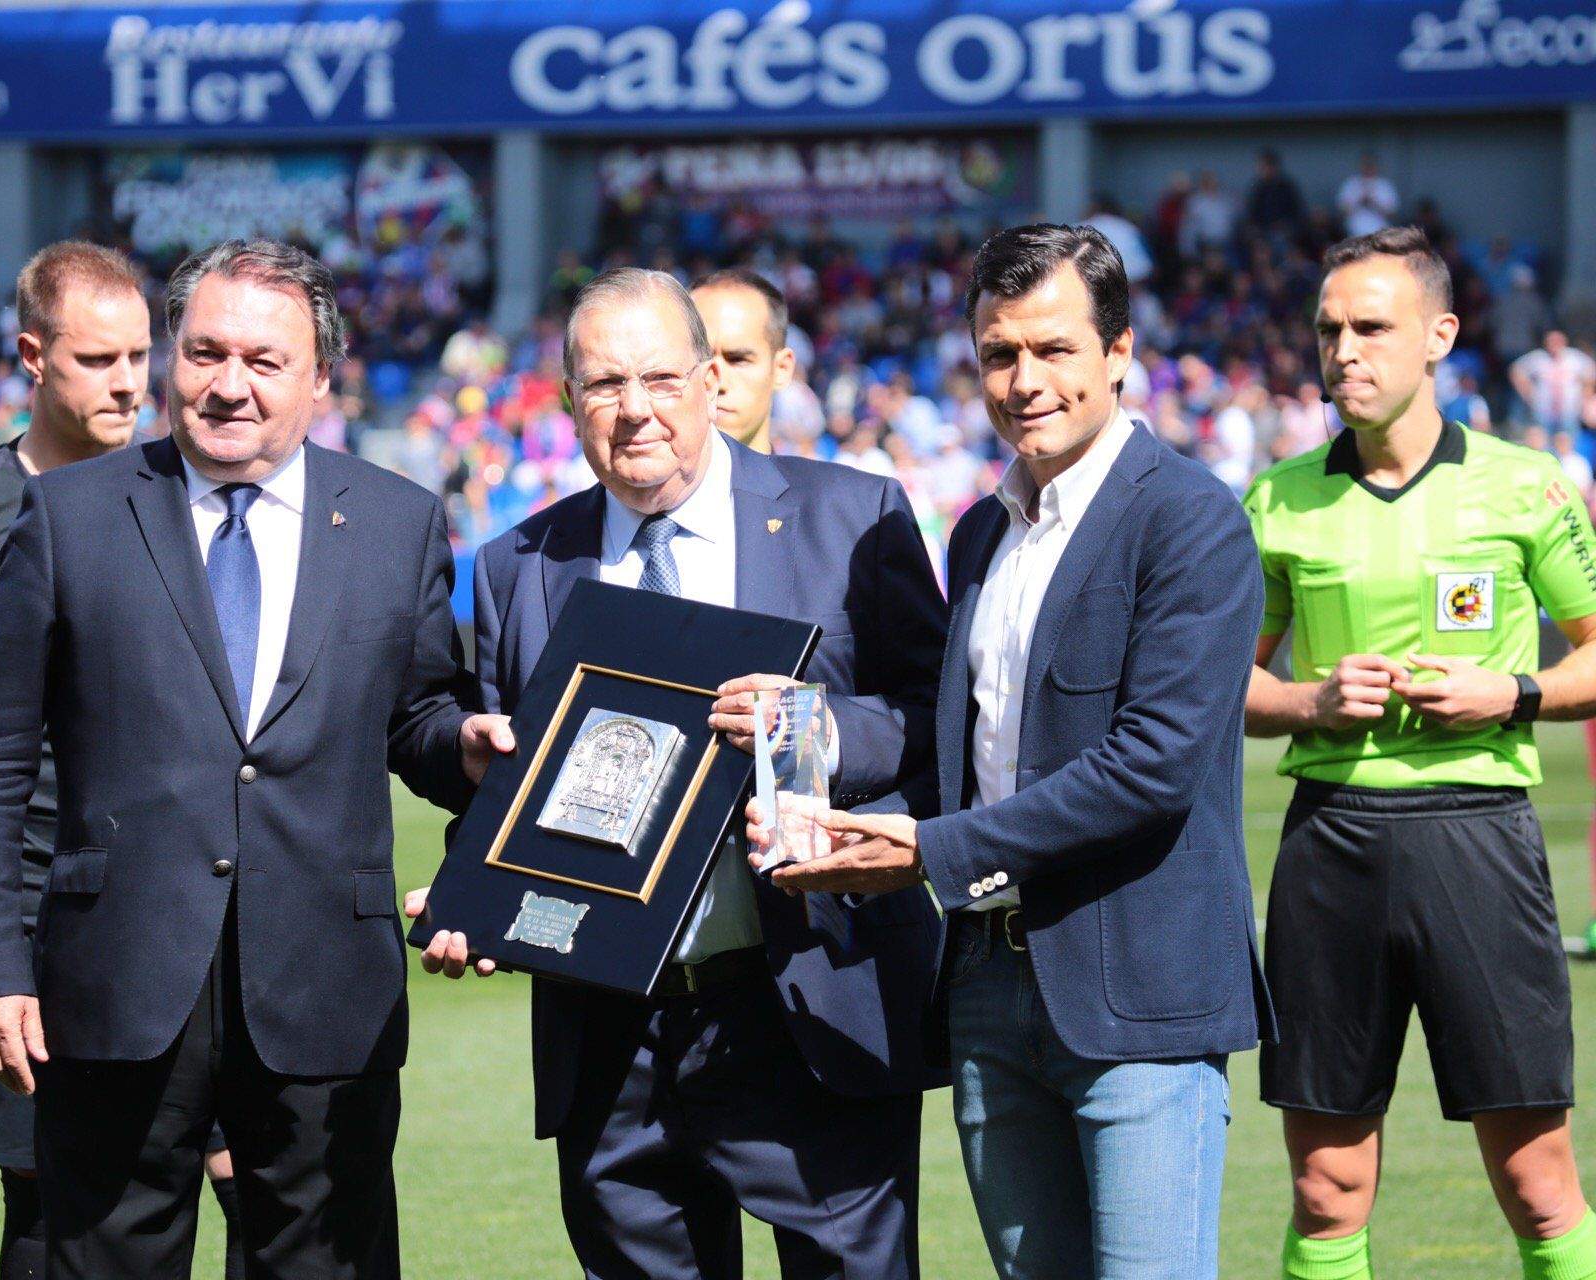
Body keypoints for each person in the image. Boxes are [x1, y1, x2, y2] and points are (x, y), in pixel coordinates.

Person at [0, 238, 512, 1280]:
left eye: (264, 359)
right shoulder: (68, 516)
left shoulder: (398, 523)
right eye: (204, 352)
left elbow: (417, 714)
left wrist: (461, 744)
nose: (228, 385)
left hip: (327, 993)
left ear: (322, 377)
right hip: (111, 990)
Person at [412, 267, 949, 1280]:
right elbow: (513, 790)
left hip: (804, 1004)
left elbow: (933, 719)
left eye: (660, 377)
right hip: (610, 1035)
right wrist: (469, 896)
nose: (636, 409)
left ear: (711, 381)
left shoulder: (851, 517)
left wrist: (818, 729)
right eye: (605, 383)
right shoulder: (519, 561)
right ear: (568, 400)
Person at [758, 223, 1272, 1280]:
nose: (1024, 379)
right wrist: (817, 769)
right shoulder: (980, 535)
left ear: (1119, 352)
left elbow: (1153, 765)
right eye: (1000, 353)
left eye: (1054, 349)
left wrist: (924, 848)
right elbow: (967, 754)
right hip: (990, 981)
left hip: (1139, 993)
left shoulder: (1191, 521)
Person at [0, 241, 247, 1279]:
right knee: (48, 1192)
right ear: (32, 357)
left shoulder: (205, 495)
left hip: (195, 899)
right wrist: (26, 823)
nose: (131, 380)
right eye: (99, 359)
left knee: (247, 1176)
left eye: (142, 354)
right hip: (35, 914)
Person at [1242, 226, 1596, 1280]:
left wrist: (1515, 690)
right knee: (1324, 1187)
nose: (1344, 350)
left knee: (1539, 1181)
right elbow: (1222, 686)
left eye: (1371, 328)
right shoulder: (1276, 498)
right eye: (1329, 330)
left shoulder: (1528, 486)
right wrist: (1309, 697)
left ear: (1439, 335)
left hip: (1477, 837)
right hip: (1329, 846)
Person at [690, 268, 796, 455]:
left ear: (782, 369)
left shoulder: (823, 485)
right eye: (700, 359)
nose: (716, 381)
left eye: (738, 360)